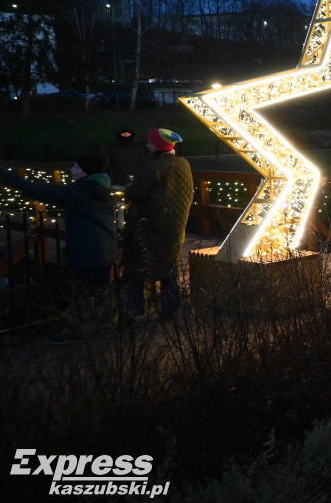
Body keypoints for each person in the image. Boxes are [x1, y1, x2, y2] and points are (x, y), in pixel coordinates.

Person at [0, 154, 117, 345]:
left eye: (76, 167)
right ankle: (105, 326)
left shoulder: (78, 193)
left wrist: (6, 175)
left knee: (82, 292)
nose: (72, 170)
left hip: (85, 251)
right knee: (102, 291)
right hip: (106, 249)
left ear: (86, 172)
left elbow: (40, 193)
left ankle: (76, 331)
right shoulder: (100, 189)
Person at [120, 128, 193, 321]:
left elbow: (136, 194)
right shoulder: (184, 164)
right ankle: (170, 310)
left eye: (150, 143)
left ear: (158, 147)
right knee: (169, 269)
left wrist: (128, 189)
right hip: (174, 226)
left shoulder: (149, 167)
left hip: (148, 227)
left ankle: (132, 312)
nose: (147, 145)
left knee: (135, 268)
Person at [105, 124, 148, 188]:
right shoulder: (111, 148)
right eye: (123, 134)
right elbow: (106, 165)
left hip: (135, 181)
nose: (126, 136)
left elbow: (143, 164)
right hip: (116, 182)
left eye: (128, 134)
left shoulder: (138, 147)